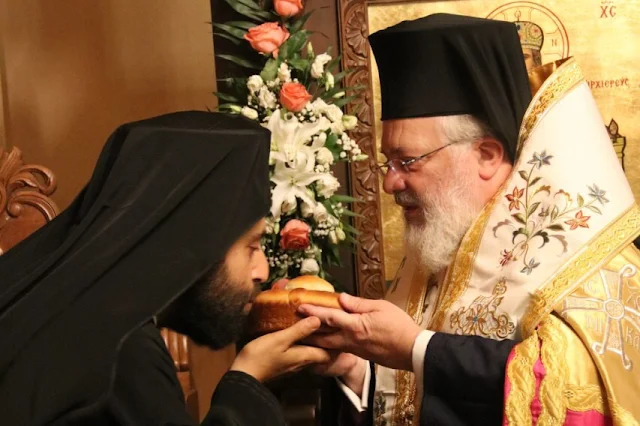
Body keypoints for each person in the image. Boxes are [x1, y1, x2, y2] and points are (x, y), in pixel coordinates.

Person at [302, 13, 640, 425]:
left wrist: (418, 349)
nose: (390, 183)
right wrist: (358, 371)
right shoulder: (442, 238)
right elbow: (413, 398)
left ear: (486, 155)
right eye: (387, 162)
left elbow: (570, 390)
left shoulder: (585, 260)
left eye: (408, 161)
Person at [0, 111, 331, 425]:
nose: (261, 271)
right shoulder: (123, 351)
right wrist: (248, 378)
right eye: (251, 247)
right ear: (196, 245)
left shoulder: (89, 308)